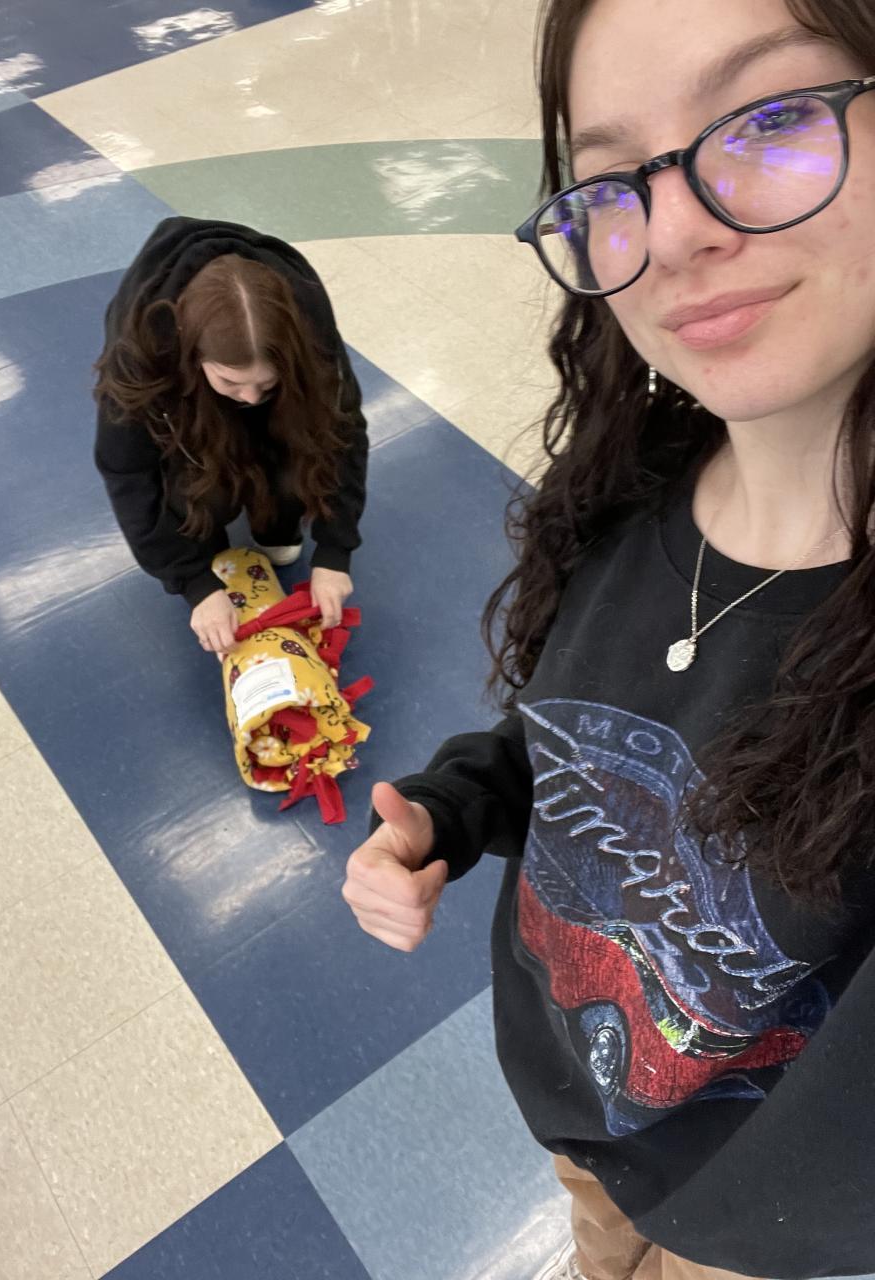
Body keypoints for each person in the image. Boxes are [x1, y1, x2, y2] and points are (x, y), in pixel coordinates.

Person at [342, 2, 875, 1278]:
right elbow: (579, 736)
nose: (676, 231)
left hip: (753, 1237)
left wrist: (729, 1243)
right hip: (583, 1134)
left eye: (772, 120)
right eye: (613, 181)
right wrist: (451, 808)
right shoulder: (633, 493)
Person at [94, 217, 368, 650]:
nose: (251, 398)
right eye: (231, 381)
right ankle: (206, 539)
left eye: (267, 383)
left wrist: (336, 550)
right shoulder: (139, 351)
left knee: (293, 450)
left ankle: (275, 519)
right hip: (182, 386)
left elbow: (343, 433)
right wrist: (194, 582)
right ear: (193, 353)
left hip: (270, 371)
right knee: (200, 479)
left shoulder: (310, 327)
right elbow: (127, 472)